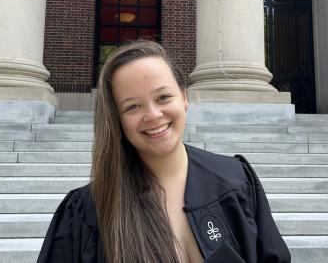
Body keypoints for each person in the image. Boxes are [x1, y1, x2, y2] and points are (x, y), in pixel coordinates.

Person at [37, 40, 290, 263]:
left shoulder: (235, 180)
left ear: (184, 97)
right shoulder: (89, 210)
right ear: (117, 119)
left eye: (163, 97)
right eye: (133, 107)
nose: (153, 115)